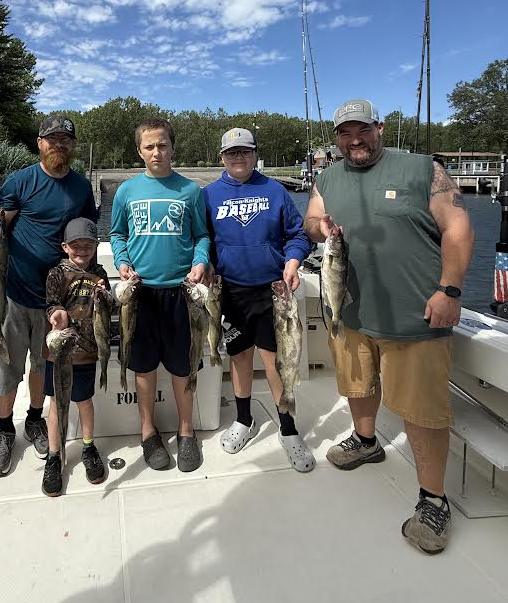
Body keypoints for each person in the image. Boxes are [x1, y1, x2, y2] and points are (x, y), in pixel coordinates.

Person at [303, 98, 474, 554]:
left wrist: (450, 290)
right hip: (352, 312)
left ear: (380, 127)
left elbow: (458, 227)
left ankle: (433, 499)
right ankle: (365, 441)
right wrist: (322, 229)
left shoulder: (423, 170)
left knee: (422, 412)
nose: (354, 140)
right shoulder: (327, 176)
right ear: (335, 136)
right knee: (356, 385)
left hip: (416, 316)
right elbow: (310, 222)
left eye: (362, 130)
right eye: (344, 133)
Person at [0, 115, 97, 478]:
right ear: (40, 143)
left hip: (59, 301)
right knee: (5, 366)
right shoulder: (20, 181)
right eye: (52, 139)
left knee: (42, 366)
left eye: (65, 139)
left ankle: (34, 419)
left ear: (73, 146)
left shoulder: (81, 187)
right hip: (15, 293)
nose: (58, 145)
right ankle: (4, 428)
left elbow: (86, 240)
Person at [203, 128, 315, 472]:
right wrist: (205, 263)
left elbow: (297, 235)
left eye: (245, 152)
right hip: (231, 292)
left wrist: (292, 262)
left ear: (255, 155)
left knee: (276, 362)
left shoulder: (275, 191)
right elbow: (201, 239)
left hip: (272, 291)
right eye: (232, 153)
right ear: (222, 157)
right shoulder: (208, 195)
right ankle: (244, 419)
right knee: (239, 358)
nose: (239, 158)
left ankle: (289, 428)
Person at [109, 119, 210, 472]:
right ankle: (148, 432)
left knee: (183, 367)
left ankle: (186, 431)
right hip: (140, 294)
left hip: (182, 295)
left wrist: (200, 262)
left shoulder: (190, 191)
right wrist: (121, 262)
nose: (157, 152)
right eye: (149, 146)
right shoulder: (126, 192)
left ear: (172, 147)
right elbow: (117, 234)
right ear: (139, 150)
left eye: (163, 145)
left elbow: (202, 236)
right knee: (144, 367)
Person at [42, 217, 112, 496]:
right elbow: (51, 303)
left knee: (83, 401)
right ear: (65, 246)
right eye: (75, 245)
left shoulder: (100, 272)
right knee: (56, 403)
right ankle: (54, 454)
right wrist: (55, 314)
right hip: (58, 352)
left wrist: (104, 296)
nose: (81, 250)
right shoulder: (56, 273)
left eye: (88, 245)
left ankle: (88, 446)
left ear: (95, 246)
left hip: (87, 351)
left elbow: (109, 306)